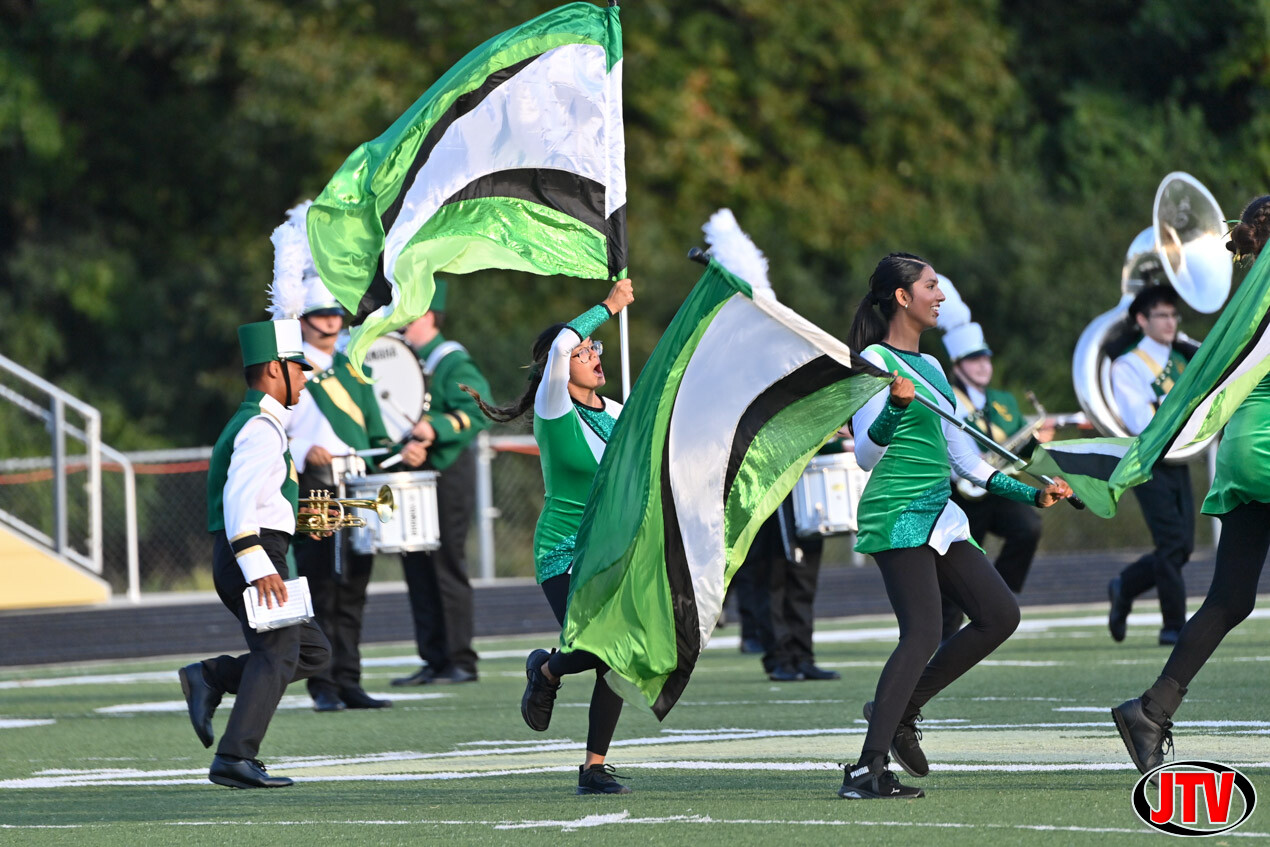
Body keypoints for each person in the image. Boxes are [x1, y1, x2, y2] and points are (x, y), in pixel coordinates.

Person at [838, 253, 1070, 800]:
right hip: (896, 512)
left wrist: (1031, 492)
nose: (940, 296)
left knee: (1000, 614)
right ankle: (866, 769)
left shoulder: (935, 368)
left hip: (939, 514)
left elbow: (966, 462)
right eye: (931, 286)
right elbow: (867, 455)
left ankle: (903, 709)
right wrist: (894, 407)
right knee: (922, 632)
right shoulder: (873, 362)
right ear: (902, 297)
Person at [1112, 195, 1270, 775]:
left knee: (1231, 598)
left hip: (1246, 449)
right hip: (1266, 445)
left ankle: (1150, 711)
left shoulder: (1255, 296)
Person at [465, 279, 635, 795]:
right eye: (585, 352)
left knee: (621, 656)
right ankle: (547, 669)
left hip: (612, 550)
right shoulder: (553, 405)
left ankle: (593, 768)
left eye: (595, 349)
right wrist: (608, 306)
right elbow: (562, 344)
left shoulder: (619, 412)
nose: (594, 356)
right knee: (599, 646)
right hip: (564, 551)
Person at [178, 317, 331, 789]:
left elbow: (261, 502)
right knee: (277, 652)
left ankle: (212, 677)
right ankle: (234, 757)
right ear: (272, 370)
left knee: (313, 653)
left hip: (259, 549)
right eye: (297, 368)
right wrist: (258, 565)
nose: (304, 377)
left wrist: (301, 523)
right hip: (252, 554)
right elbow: (238, 502)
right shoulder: (261, 427)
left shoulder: (261, 423)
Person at [287, 277, 427, 712]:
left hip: (357, 482)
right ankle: (322, 683)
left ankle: (349, 680)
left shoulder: (352, 367)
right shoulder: (292, 369)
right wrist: (302, 450)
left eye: (334, 315)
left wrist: (403, 448)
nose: (330, 323)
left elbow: (375, 433)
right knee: (320, 583)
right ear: (303, 321)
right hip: (315, 485)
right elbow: (272, 430)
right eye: (320, 315)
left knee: (353, 586)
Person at [391, 279, 490, 686]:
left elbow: (477, 410)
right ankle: (432, 657)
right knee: (416, 565)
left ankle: (460, 659)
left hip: (446, 472)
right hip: (411, 472)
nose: (401, 322)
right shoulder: (402, 359)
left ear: (430, 316)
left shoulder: (450, 360)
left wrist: (434, 429)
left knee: (446, 564)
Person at [938, 301, 1053, 641]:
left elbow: (1022, 444)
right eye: (974, 359)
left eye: (986, 358)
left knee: (1028, 527)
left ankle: (997, 595)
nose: (983, 365)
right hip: (959, 494)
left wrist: (1040, 444)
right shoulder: (946, 398)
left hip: (997, 487)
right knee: (955, 565)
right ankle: (946, 639)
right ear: (957, 365)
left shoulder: (1004, 400)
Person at [1106, 284, 1195, 646]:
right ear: (1142, 320)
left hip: (1180, 456)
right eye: (1161, 315)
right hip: (1148, 460)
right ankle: (1173, 626)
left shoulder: (1185, 358)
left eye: (1174, 315)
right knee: (1171, 542)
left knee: (1183, 547)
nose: (1171, 322)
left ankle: (1125, 586)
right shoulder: (1128, 364)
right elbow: (1141, 420)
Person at [733, 450, 844, 682]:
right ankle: (779, 659)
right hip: (771, 489)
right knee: (773, 579)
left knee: (804, 580)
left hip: (806, 488)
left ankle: (802, 657)